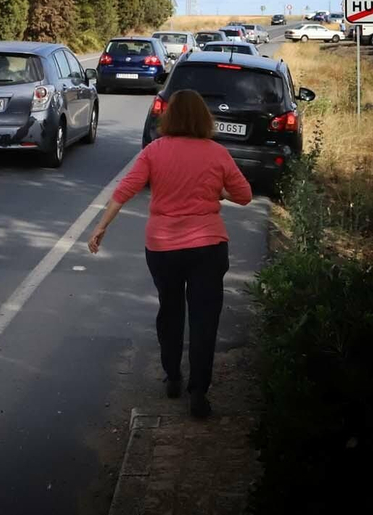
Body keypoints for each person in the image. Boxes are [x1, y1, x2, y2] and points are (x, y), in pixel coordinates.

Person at [87, 89, 253, 419]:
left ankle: (173, 376)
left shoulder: (155, 151)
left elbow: (125, 190)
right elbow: (245, 195)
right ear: (204, 118)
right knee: (205, 319)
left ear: (170, 116)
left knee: (171, 309)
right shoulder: (217, 153)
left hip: (163, 248)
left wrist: (101, 227)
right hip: (208, 247)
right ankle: (198, 392)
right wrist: (219, 191)